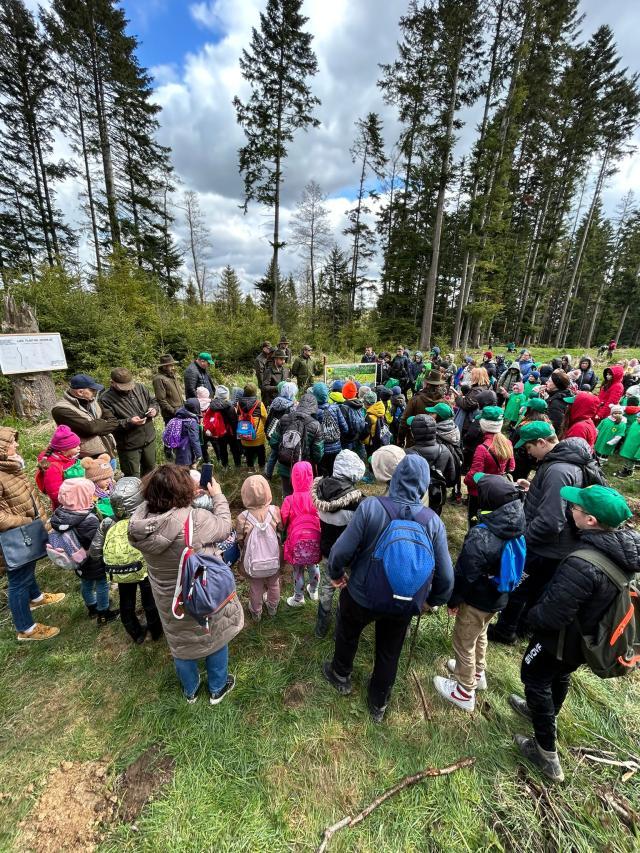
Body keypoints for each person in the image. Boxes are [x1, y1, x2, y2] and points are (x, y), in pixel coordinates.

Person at [511, 485, 637, 782]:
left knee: (534, 675)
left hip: (561, 639)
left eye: (576, 509)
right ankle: (545, 712)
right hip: (585, 640)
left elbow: (555, 612)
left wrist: (530, 616)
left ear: (591, 520)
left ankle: (545, 753)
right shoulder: (622, 548)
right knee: (561, 674)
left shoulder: (583, 563)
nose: (571, 511)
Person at [322, 456, 454, 722]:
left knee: (348, 631)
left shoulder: (371, 507)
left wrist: (335, 574)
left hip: (361, 593)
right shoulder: (433, 522)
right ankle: (378, 701)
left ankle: (340, 674)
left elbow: (341, 551)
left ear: (394, 479)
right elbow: (447, 577)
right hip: (404, 600)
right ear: (425, 485)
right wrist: (432, 601)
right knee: (389, 650)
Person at [128, 464, 243, 704]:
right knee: (213, 638)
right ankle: (217, 688)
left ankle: (190, 691)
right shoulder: (196, 520)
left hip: (168, 596)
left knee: (180, 643)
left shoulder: (140, 524)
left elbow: (165, 513)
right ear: (183, 493)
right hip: (200, 589)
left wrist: (184, 497)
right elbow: (224, 526)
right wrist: (217, 496)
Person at [489, 424, 592, 644]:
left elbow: (551, 521)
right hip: (560, 546)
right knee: (538, 590)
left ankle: (506, 631)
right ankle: (525, 626)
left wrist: (522, 539)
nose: (528, 453)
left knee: (519, 588)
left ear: (542, 442)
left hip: (544, 547)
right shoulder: (568, 462)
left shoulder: (557, 471)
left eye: (529, 447)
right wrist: (534, 487)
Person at [434, 474, 526, 712]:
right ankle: (478, 672)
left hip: (477, 598)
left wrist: (454, 599)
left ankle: (464, 690)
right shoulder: (515, 519)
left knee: (463, 641)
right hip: (498, 595)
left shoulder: (483, 535)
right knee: (480, 632)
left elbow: (466, 573)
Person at [0, 427, 64, 641]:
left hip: (24, 532)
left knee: (28, 565)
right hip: (14, 535)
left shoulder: (10, 467)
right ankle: (26, 628)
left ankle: (35, 597)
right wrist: (26, 521)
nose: (16, 445)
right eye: (11, 443)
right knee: (18, 579)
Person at [89, 477, 162, 644]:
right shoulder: (145, 520)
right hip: (143, 568)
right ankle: (156, 632)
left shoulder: (108, 522)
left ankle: (136, 634)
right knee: (150, 601)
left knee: (126, 602)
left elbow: (94, 551)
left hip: (119, 569)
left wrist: (109, 560)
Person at [312, 449, 365, 638]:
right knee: (346, 589)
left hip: (327, 550)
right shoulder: (356, 502)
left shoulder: (320, 490)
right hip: (349, 556)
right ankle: (340, 630)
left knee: (326, 587)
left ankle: (321, 626)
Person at [51, 478, 119, 625]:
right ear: (81, 498)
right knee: (101, 583)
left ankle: (92, 607)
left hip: (77, 559)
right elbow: (96, 541)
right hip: (92, 558)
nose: (93, 497)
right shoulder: (88, 519)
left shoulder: (61, 513)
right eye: (89, 495)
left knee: (86, 583)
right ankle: (103, 612)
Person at [236, 475, 282, 621]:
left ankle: (256, 611)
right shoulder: (275, 511)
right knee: (274, 583)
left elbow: (239, 538)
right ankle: (273, 606)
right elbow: (281, 528)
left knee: (256, 587)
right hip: (274, 558)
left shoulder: (243, 517)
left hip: (253, 561)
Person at [100, 369, 158, 477]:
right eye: (123, 386)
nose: (127, 389)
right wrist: (129, 422)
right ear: (112, 383)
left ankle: (150, 493)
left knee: (151, 472)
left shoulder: (140, 387)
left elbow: (153, 401)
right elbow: (109, 424)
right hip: (129, 445)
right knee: (132, 476)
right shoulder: (105, 399)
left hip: (149, 438)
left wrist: (154, 409)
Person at [463, 407, 514, 526]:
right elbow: (511, 467)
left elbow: (475, 475)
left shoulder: (482, 448)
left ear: (484, 425)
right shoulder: (508, 443)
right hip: (498, 491)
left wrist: (466, 480)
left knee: (474, 520)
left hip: (479, 494)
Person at [281, 460, 321, 607]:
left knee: (297, 570)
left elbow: (283, 520)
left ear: (293, 478)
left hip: (296, 541)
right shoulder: (316, 498)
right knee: (314, 565)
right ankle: (314, 590)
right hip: (314, 540)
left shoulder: (289, 500)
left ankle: (298, 597)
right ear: (311, 477)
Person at [270, 392, 324, 498]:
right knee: (305, 496)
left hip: (285, 465)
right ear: (314, 407)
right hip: (304, 469)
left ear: (300, 404)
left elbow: (273, 442)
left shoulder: (284, 418)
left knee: (287, 495)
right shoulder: (315, 425)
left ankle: (287, 513)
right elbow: (318, 454)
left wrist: (284, 452)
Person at [51, 374, 117, 461]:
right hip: (86, 460)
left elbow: (114, 421)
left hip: (108, 453)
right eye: (92, 390)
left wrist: (96, 427)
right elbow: (90, 428)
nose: (95, 392)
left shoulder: (92, 401)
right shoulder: (61, 409)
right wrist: (102, 423)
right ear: (80, 392)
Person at [406, 415, 456, 515]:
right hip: (436, 497)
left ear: (413, 432)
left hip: (413, 498)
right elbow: (451, 479)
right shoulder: (444, 450)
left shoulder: (407, 454)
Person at [36, 425, 81, 510]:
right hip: (66, 506)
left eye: (79, 444)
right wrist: (72, 503)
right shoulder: (52, 468)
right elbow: (55, 493)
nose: (79, 448)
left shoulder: (69, 457)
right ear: (64, 449)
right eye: (75, 446)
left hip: (78, 500)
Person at [398, 370, 446, 446]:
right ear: (439, 385)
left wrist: (400, 440)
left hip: (415, 442)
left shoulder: (415, 400)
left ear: (426, 384)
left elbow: (404, 421)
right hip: (435, 443)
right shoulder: (444, 402)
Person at [311, 382, 348, 477]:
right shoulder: (335, 408)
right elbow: (345, 428)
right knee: (334, 472)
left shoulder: (314, 412)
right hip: (336, 447)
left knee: (322, 474)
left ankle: (322, 489)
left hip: (321, 449)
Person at [203, 385, 242, 469]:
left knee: (222, 448)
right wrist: (236, 432)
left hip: (219, 431)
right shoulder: (229, 406)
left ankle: (225, 465)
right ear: (226, 395)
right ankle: (238, 465)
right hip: (230, 431)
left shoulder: (212, 405)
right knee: (234, 448)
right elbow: (233, 421)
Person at [236, 383, 268, 470]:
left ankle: (250, 468)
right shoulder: (259, 404)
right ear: (255, 392)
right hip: (257, 435)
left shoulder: (239, 404)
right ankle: (262, 467)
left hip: (244, 434)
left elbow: (238, 416)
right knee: (261, 451)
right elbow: (265, 417)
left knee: (248, 452)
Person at [166, 399, 202, 467]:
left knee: (179, 466)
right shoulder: (191, 422)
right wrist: (199, 455)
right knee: (184, 471)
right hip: (186, 451)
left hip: (177, 447)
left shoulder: (179, 415)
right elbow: (195, 440)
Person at [152, 354, 184, 427]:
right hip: (171, 415)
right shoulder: (159, 379)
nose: (173, 367)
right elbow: (161, 399)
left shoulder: (172, 376)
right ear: (164, 366)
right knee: (172, 437)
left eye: (173, 365)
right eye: (171, 365)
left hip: (180, 411)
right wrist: (173, 411)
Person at [614, 407, 640, 479]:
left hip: (634, 449)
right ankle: (625, 469)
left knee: (631, 461)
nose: (637, 419)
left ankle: (629, 472)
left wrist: (638, 454)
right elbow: (629, 431)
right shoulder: (635, 423)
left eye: (639, 418)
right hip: (628, 446)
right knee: (626, 459)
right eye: (637, 417)